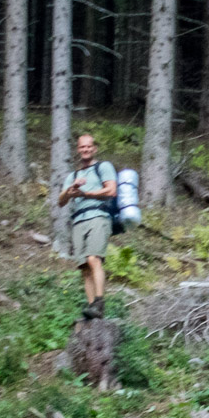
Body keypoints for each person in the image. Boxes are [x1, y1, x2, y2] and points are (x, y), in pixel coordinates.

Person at [56, 132, 119, 318]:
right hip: (78, 220)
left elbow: (111, 190)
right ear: (78, 150)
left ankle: (99, 301)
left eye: (88, 146)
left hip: (98, 216)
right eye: (82, 147)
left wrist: (86, 194)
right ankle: (92, 309)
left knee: (93, 258)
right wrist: (71, 189)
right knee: (84, 267)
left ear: (94, 148)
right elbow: (60, 201)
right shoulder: (74, 175)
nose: (85, 149)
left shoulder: (103, 167)